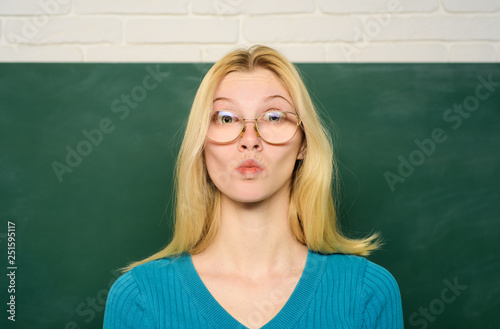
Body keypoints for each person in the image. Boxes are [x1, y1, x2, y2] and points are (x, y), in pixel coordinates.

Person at [103, 45, 403, 329]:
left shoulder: (367, 291)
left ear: (304, 145)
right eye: (226, 118)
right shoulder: (138, 297)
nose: (249, 138)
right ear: (201, 145)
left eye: (273, 117)